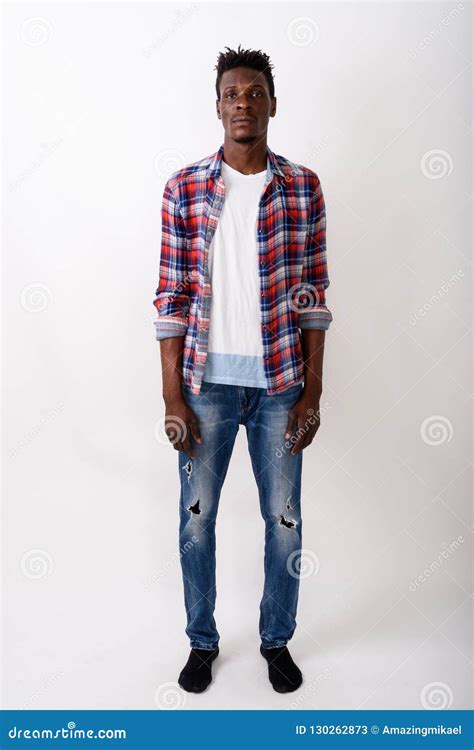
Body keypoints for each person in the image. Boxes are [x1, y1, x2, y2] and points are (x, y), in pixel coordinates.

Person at [153, 44, 333, 694]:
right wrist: (172, 397)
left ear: (272, 104)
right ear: (218, 105)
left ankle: (276, 640)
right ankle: (202, 643)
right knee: (197, 520)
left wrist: (313, 390)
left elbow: (313, 295)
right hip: (206, 390)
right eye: (232, 93)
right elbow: (170, 299)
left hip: (281, 388)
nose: (243, 103)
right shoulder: (185, 188)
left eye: (254, 93)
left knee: (284, 521)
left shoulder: (302, 186)